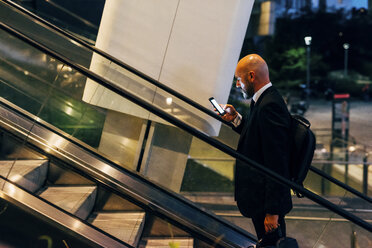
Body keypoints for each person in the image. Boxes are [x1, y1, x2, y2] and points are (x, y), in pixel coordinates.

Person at [220, 54, 293, 246]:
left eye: (239, 79)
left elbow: (277, 161)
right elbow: (257, 138)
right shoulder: (262, 100)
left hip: (265, 200)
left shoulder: (269, 106)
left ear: (251, 76)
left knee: (272, 243)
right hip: (261, 196)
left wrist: (273, 211)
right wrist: (236, 119)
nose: (238, 85)